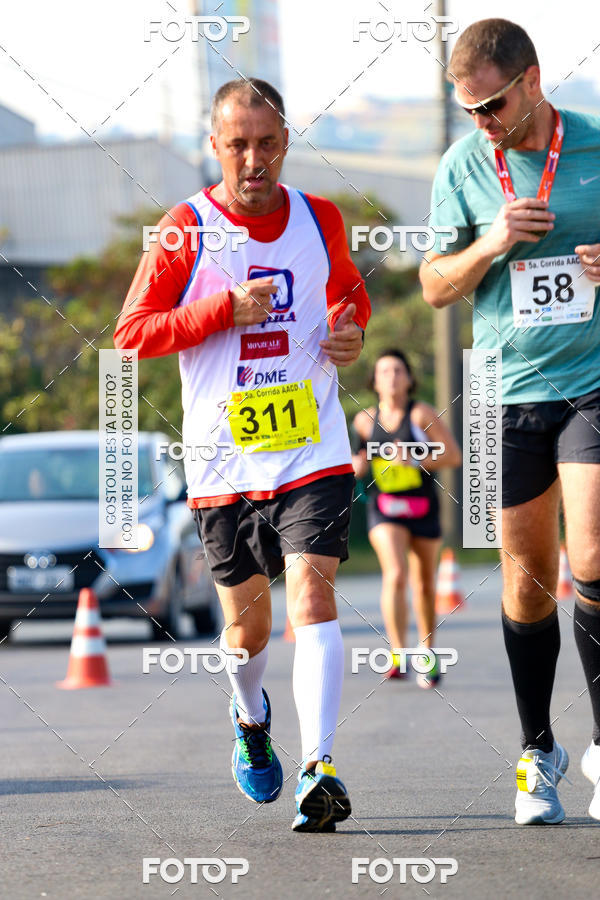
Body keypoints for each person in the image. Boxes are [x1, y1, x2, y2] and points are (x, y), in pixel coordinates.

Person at [114, 78, 370, 832]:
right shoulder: (183, 229)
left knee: (314, 594)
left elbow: (348, 296)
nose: (253, 160)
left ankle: (320, 765)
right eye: (237, 146)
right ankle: (250, 716)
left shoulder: (322, 218)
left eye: (266, 144)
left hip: (310, 450)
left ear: (285, 142)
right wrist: (219, 309)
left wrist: (349, 328)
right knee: (248, 633)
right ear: (215, 146)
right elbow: (132, 335)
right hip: (224, 463)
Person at [420, 18, 600, 825]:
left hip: (594, 380)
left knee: (592, 555)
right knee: (528, 586)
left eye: (492, 105)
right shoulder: (462, 168)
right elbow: (433, 284)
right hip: (504, 389)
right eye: (469, 111)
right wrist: (490, 242)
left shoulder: (594, 145)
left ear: (532, 81)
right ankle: (539, 752)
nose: (482, 123)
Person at [351, 349, 461, 686]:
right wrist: (356, 467)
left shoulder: (421, 414)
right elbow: (356, 461)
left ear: (410, 378)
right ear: (374, 380)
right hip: (385, 508)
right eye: (384, 371)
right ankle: (397, 653)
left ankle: (427, 652)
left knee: (425, 583)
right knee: (396, 573)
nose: (392, 377)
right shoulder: (364, 421)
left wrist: (414, 459)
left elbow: (452, 455)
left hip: (422, 507)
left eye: (398, 370)